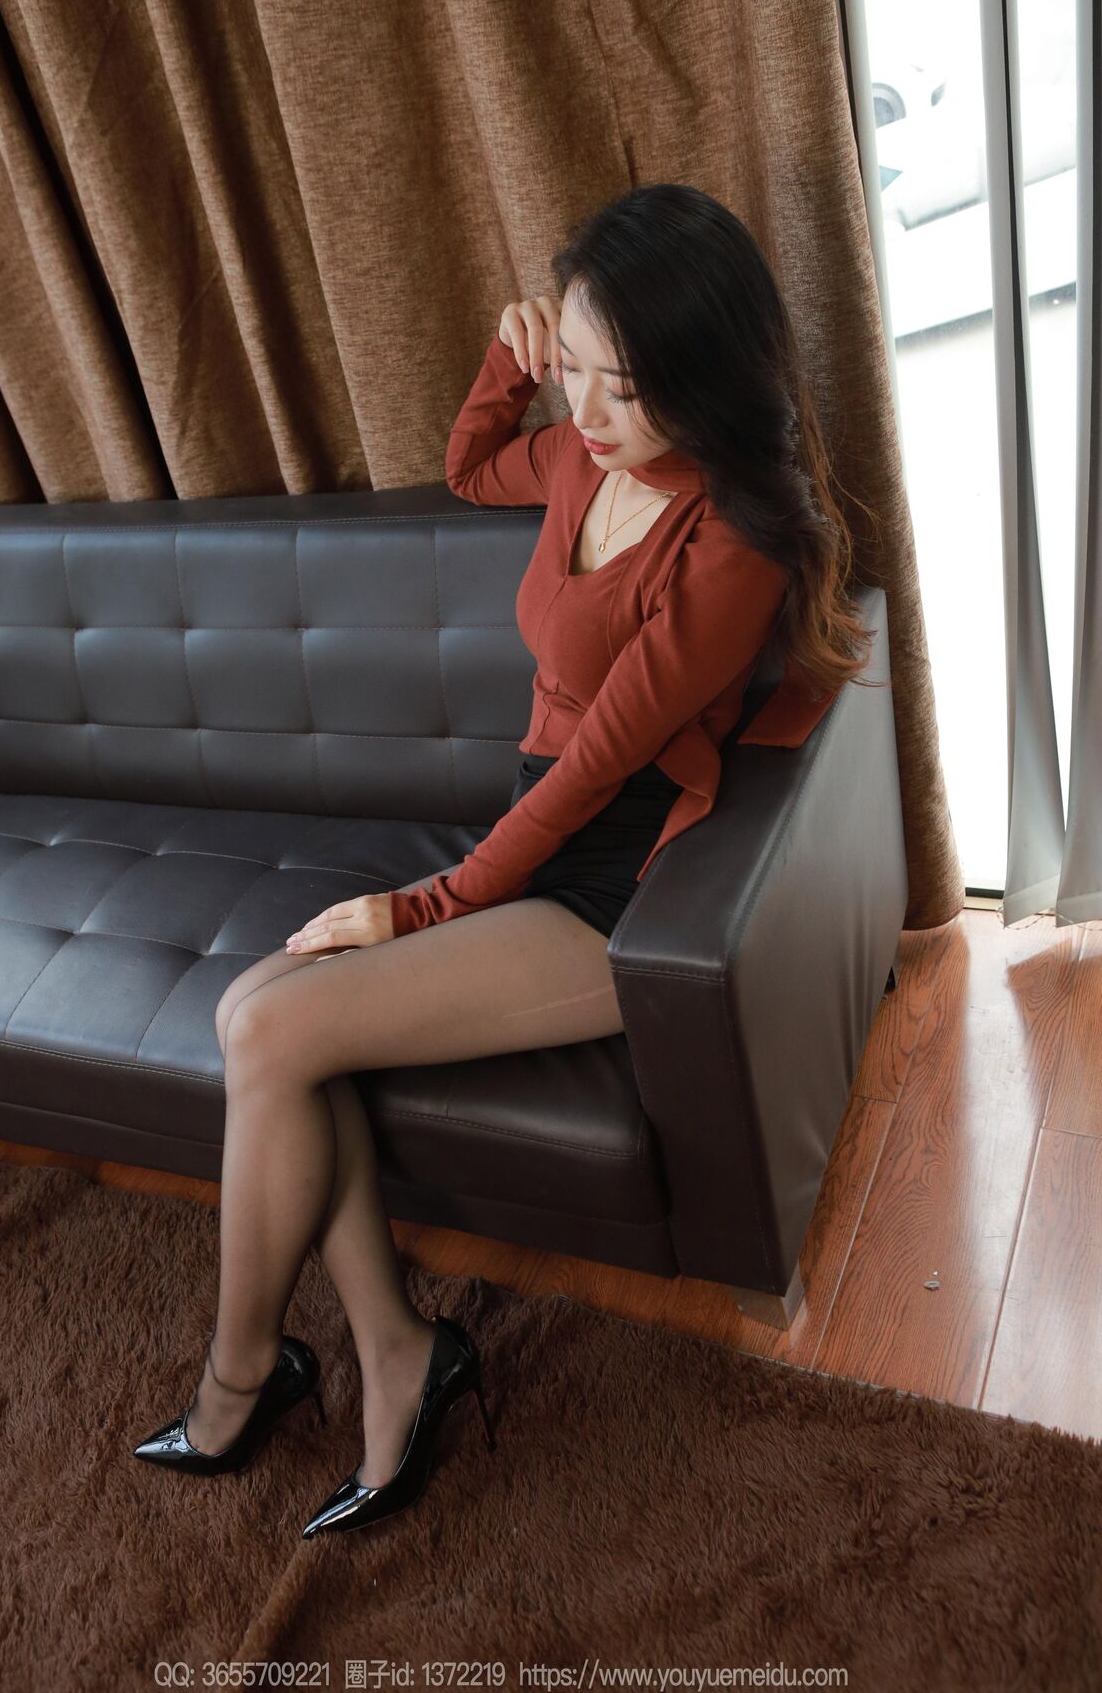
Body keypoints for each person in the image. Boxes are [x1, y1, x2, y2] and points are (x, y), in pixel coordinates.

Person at [132, 183, 881, 1537]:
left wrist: (423, 904)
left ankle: (243, 1380)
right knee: (261, 1019)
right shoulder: (581, 458)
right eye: (575, 369)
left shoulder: (730, 545)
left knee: (269, 1028)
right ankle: (393, 1355)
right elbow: (475, 463)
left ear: (705, 380)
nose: (585, 413)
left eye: (623, 387)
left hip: (609, 891)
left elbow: (597, 767)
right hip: (531, 834)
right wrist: (508, 355)